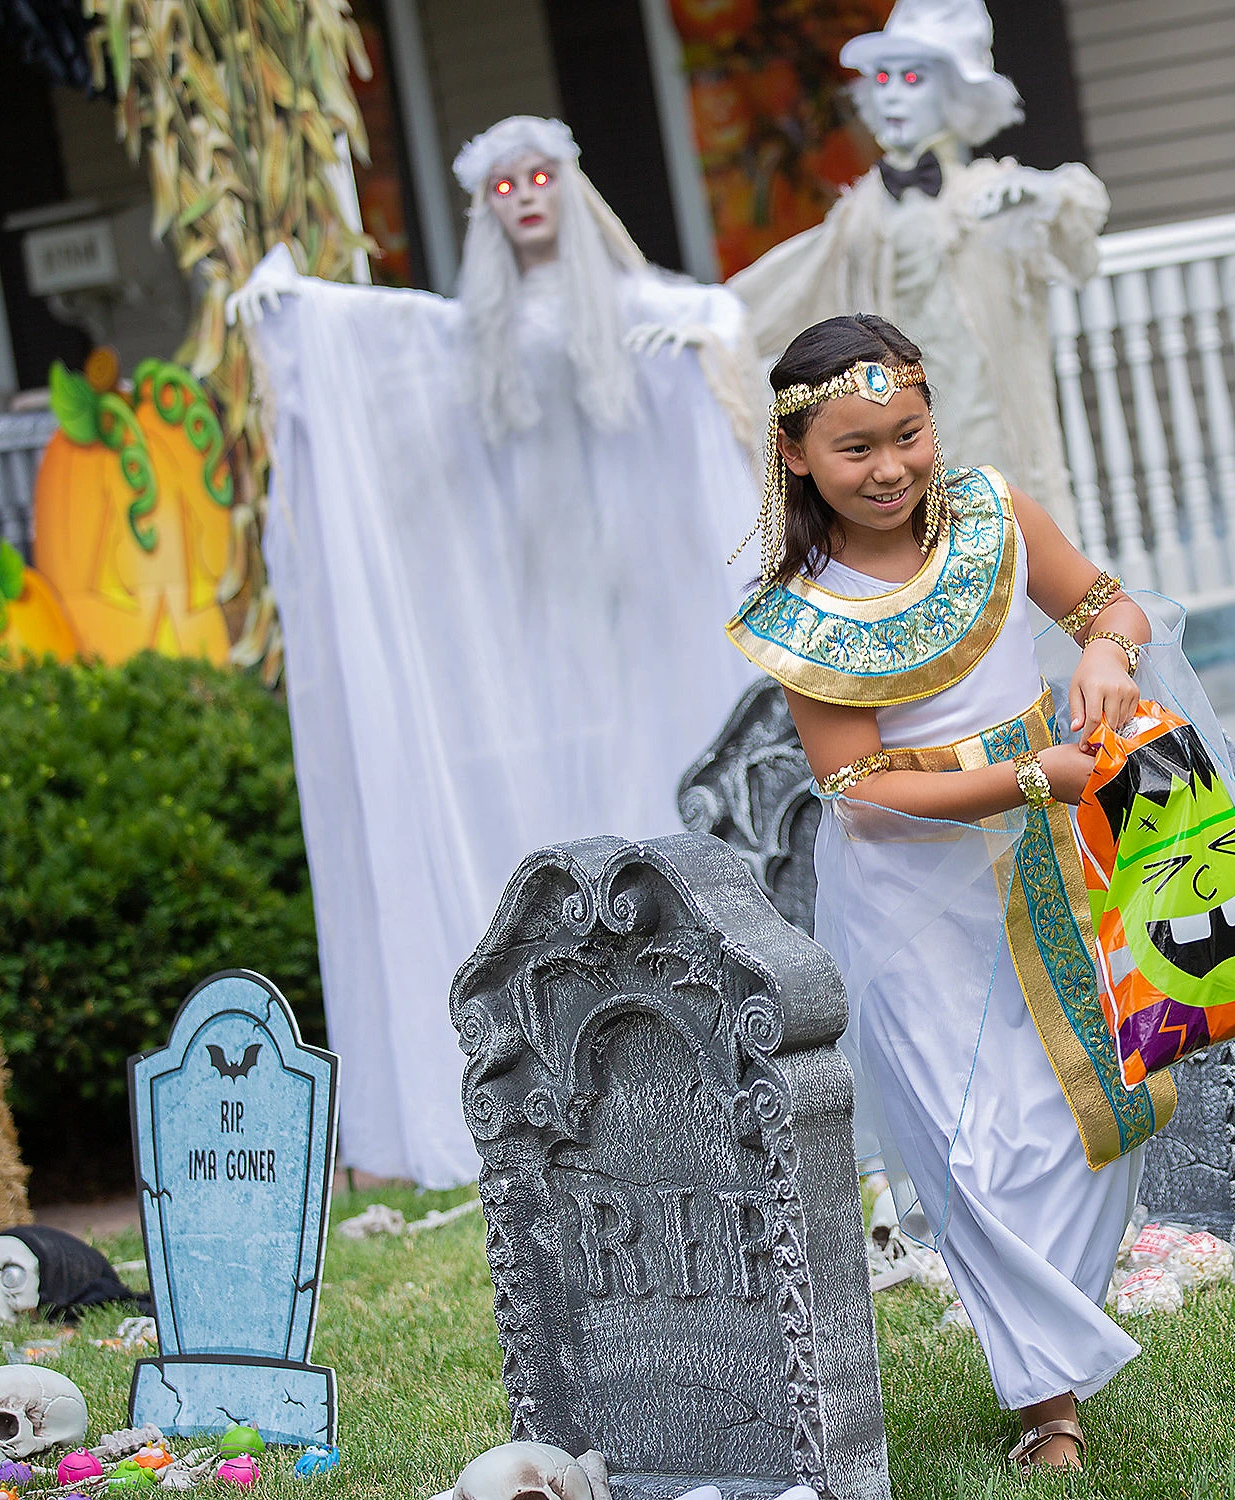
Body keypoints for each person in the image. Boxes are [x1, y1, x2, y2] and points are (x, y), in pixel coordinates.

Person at [724, 314, 1235, 1469]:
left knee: (1098, 1112)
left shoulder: (995, 518)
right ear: (796, 455)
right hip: (914, 894)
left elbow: (1111, 606)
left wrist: (1105, 651)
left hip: (1059, 855)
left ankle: (1050, 1358)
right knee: (968, 1147)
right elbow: (860, 793)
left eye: (909, 434)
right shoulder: (800, 615)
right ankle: (1047, 1404)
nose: (891, 467)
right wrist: (1027, 776)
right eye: (857, 448)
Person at [231, 116, 758, 1187]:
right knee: (580, 805)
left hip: (635, 585)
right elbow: (397, 341)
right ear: (485, 206)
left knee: (659, 771)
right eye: (504, 186)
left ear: (569, 184)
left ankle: (705, 1030)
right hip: (543, 596)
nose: (526, 198)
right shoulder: (481, 330)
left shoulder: (632, 307)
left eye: (540, 178)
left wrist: (701, 345)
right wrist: (299, 312)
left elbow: (711, 316)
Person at [728, 0, 1105, 537]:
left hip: (987, 413)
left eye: (912, 79)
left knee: (1007, 530)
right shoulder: (861, 214)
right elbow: (794, 279)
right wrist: (713, 315)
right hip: (897, 421)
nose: (893, 94)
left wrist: (1041, 201)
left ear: (955, 94)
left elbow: (1076, 245)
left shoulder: (990, 193)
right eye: (883, 79)